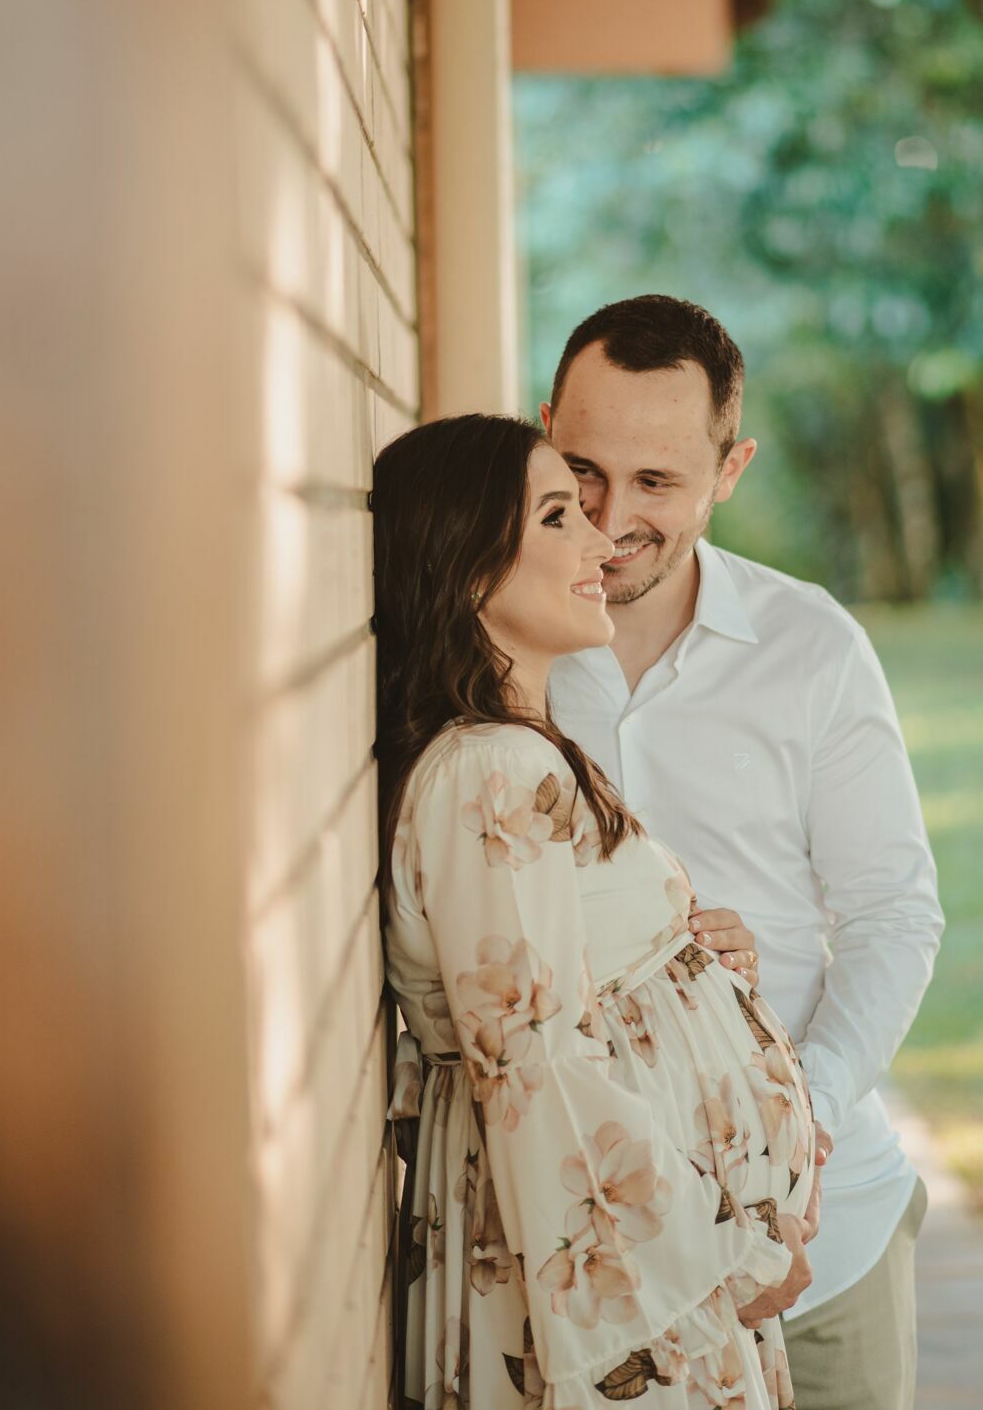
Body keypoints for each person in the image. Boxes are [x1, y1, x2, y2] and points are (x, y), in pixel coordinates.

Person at [544, 295, 943, 1410]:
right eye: (583, 468)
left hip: (827, 1257)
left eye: (658, 482)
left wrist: (794, 1128)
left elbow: (893, 917)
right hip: (594, 1267)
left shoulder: (813, 647)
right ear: (543, 433)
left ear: (731, 468)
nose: (611, 515)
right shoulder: (490, 647)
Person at [376, 414, 818, 1410]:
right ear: (467, 560)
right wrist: (726, 1257)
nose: (602, 541)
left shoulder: (520, 747)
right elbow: (535, 1069)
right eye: (560, 514)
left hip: (663, 1273)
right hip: (626, 1290)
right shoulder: (491, 772)